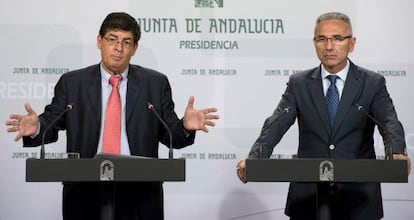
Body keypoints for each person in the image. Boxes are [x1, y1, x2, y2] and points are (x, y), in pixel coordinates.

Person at [6, 12, 219, 220]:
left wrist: (185, 126)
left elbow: (171, 134)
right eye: (112, 39)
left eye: (127, 42)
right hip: (84, 193)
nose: (119, 48)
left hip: (141, 195)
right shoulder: (73, 83)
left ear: (134, 48)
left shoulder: (155, 83)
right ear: (99, 41)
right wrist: (36, 128)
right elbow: (51, 123)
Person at [236, 12, 411, 220]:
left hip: (359, 200)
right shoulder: (299, 83)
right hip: (308, 198)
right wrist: (256, 158)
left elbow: (389, 122)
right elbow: (277, 123)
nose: (329, 46)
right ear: (314, 43)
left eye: (337, 38)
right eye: (322, 39)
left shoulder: (372, 83)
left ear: (352, 43)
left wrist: (396, 153)